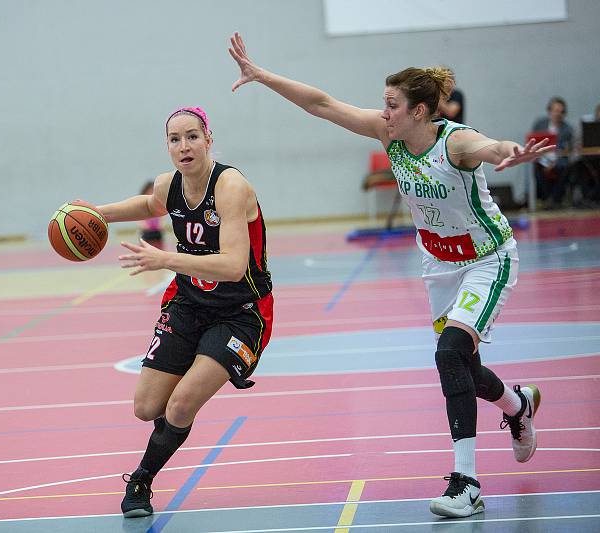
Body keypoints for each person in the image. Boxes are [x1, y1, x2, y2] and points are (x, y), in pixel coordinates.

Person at [228, 32, 553, 519]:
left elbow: (489, 146)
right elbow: (321, 104)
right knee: (463, 364)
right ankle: (517, 405)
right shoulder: (388, 135)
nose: (384, 112)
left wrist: (510, 149)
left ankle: (467, 483)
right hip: (440, 266)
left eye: (392, 105)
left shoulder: (455, 141)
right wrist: (261, 74)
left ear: (420, 111)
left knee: (448, 354)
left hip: (487, 257)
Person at [96, 106, 273, 518]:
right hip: (190, 302)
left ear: (209, 139)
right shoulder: (169, 184)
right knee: (146, 408)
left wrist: (166, 260)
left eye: (192, 136)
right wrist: (97, 212)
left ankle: (141, 480)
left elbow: (232, 266)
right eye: (175, 139)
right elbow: (150, 204)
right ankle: (168, 430)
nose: (184, 146)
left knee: (180, 406)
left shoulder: (230, 186)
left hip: (240, 310)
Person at [531, 96, 575, 208]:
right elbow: (533, 144)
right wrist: (545, 161)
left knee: (566, 167)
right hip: (542, 158)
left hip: (559, 159)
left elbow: (567, 150)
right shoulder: (540, 125)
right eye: (555, 111)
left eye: (561, 112)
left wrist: (554, 162)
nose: (557, 114)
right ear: (550, 111)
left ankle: (555, 200)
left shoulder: (567, 129)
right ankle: (546, 199)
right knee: (537, 167)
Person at [138, 181, 165, 250]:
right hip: (147, 232)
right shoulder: (141, 202)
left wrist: (160, 225)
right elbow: (139, 218)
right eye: (149, 191)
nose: (151, 193)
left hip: (157, 231)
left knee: (159, 248)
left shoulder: (158, 203)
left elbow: (162, 216)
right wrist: (144, 226)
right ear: (145, 191)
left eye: (153, 191)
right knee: (145, 248)